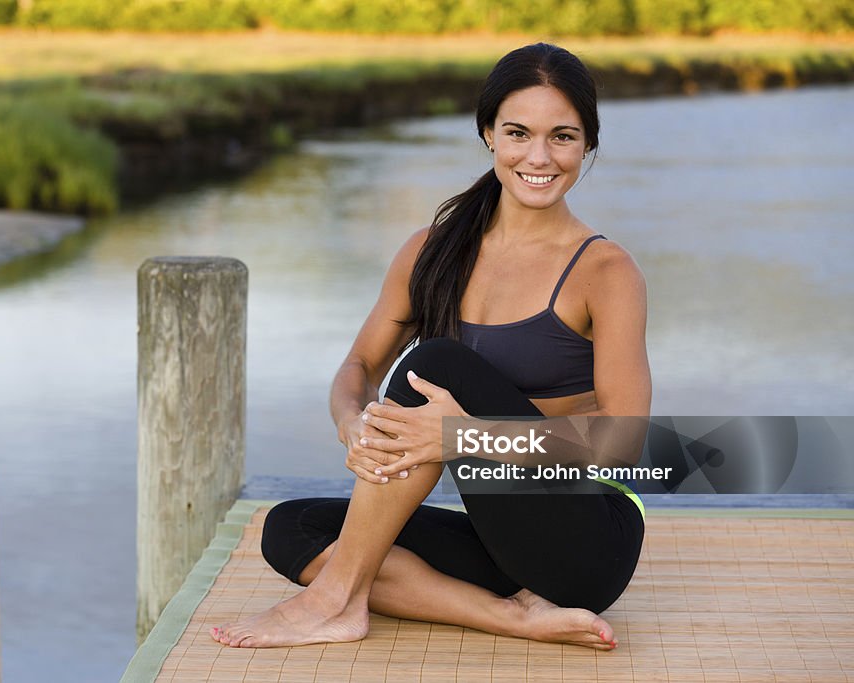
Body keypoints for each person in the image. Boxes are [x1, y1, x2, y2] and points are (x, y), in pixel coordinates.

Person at [210, 42, 650, 651]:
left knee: (434, 363)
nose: (540, 157)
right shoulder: (431, 250)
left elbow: (624, 440)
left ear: (588, 146)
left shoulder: (605, 271)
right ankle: (510, 615)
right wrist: (352, 422)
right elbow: (360, 367)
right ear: (488, 134)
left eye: (564, 137)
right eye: (519, 133)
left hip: (587, 536)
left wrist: (462, 436)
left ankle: (335, 600)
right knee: (292, 528)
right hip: (501, 534)